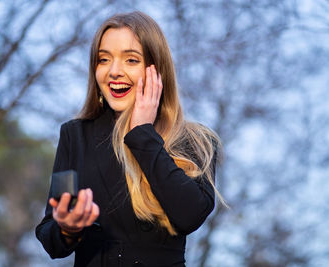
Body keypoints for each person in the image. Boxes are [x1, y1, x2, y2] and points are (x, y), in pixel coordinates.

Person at [36, 11, 223, 267]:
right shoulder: (75, 135)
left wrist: (142, 133)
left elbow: (190, 215)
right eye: (104, 59)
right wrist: (68, 228)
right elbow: (50, 238)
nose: (114, 71)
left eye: (131, 60)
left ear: (157, 69)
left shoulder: (195, 141)